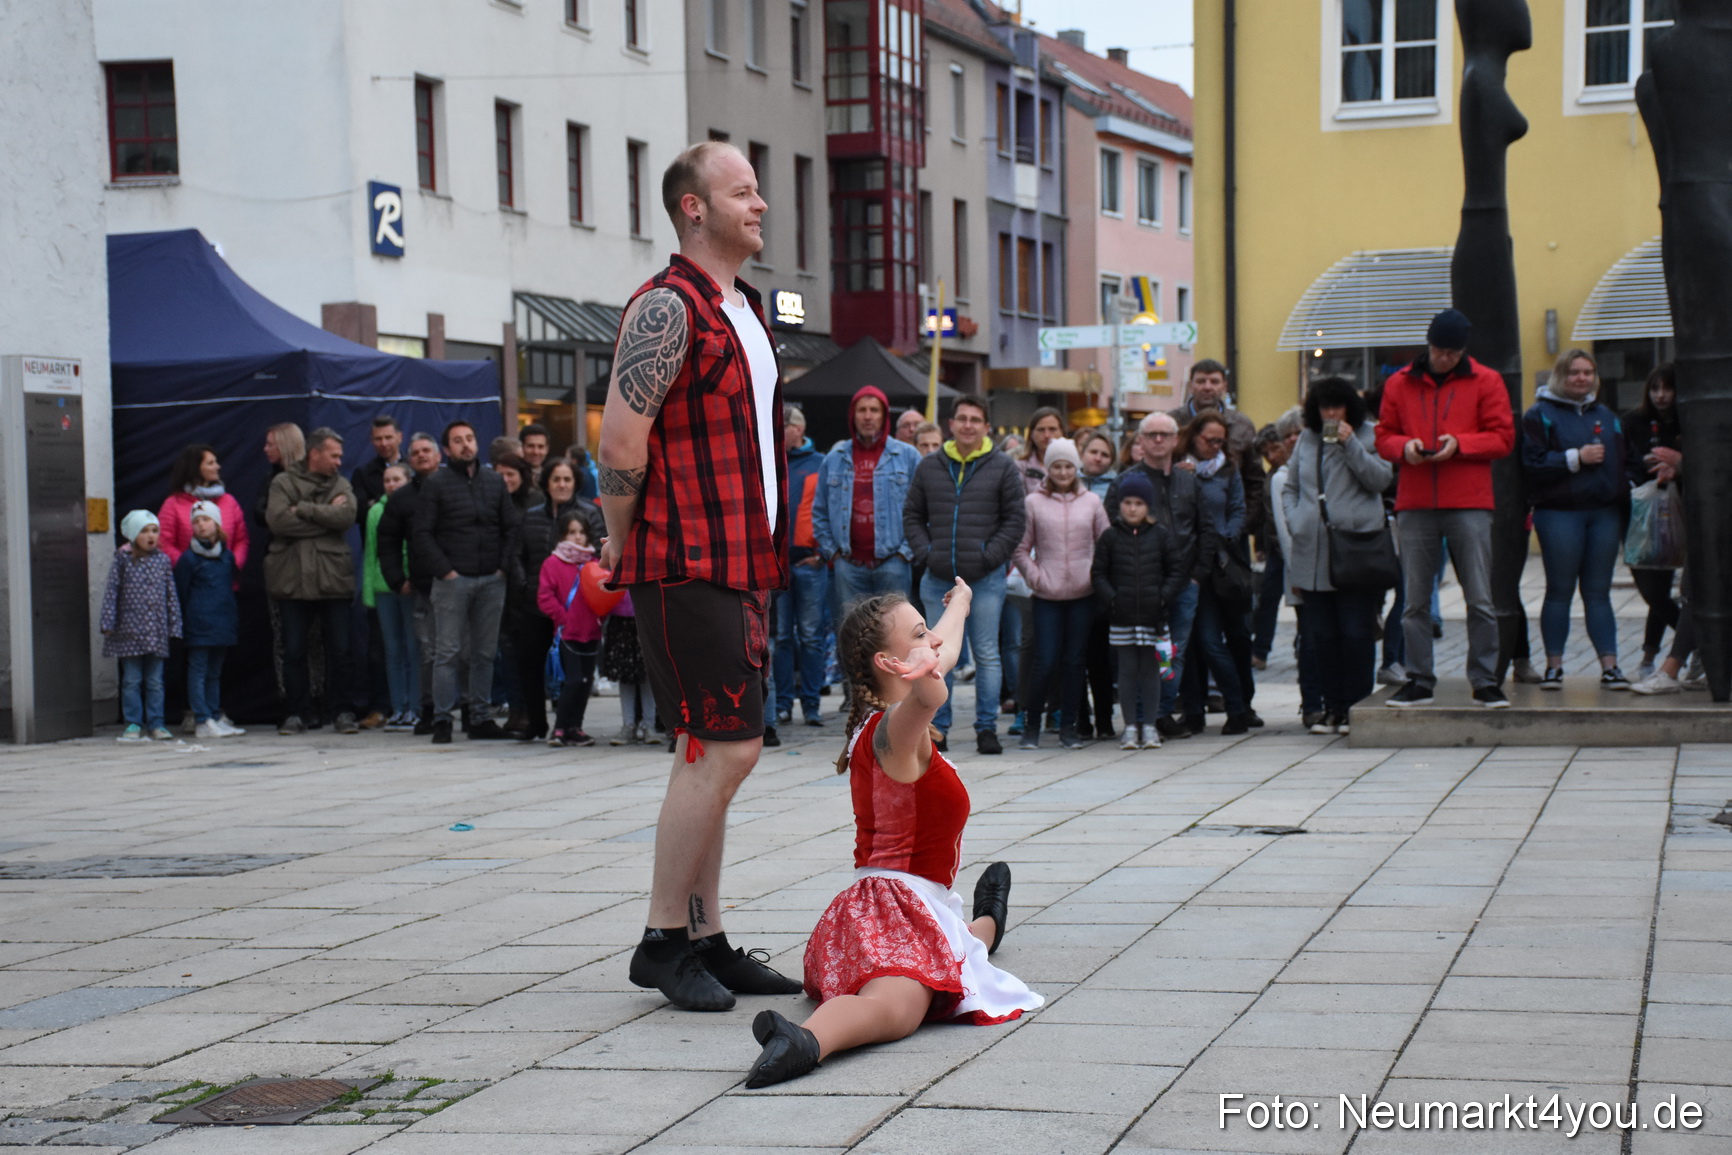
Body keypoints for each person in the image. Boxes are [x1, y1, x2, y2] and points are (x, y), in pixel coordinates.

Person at [595, 140, 801, 1011]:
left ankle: (705, 933)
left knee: (716, 748)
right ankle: (661, 938)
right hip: (684, 558)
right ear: (694, 208)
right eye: (742, 191)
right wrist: (618, 542)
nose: (759, 204)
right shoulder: (665, 308)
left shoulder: (744, 308)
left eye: (758, 189)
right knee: (724, 746)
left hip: (742, 557)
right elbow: (619, 441)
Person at [741, 581, 1042, 1089]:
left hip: (906, 903)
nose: (935, 641)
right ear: (889, 661)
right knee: (901, 1008)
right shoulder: (893, 734)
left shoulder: (882, 718)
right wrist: (928, 682)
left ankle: (991, 916)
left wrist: (962, 605)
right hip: (893, 907)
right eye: (920, 632)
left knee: (962, 945)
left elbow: (936, 652)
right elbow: (928, 695)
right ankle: (804, 1040)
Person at [1375, 309, 1517, 708]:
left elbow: (1503, 437)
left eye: (1452, 353)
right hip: (1416, 501)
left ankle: (1485, 679)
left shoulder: (1486, 380)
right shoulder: (1399, 383)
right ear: (1429, 345)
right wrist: (1405, 448)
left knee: (1479, 597)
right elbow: (1384, 435)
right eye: (1439, 350)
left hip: (1469, 501)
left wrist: (1461, 443)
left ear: (1463, 351)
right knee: (1414, 599)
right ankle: (1419, 678)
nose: (1444, 359)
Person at [903, 396, 1026, 754]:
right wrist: (928, 554)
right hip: (937, 575)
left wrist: (989, 558)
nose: (968, 425)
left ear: (987, 427)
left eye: (975, 419)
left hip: (984, 579)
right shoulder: (930, 465)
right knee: (936, 656)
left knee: (987, 653)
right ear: (950, 425)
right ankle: (938, 728)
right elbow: (912, 514)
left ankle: (987, 727)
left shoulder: (1002, 466)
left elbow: (1015, 519)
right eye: (962, 419)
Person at [1282, 378, 1396, 734]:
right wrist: (1297, 518)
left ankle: (1355, 707)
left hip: (1355, 550)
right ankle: (1332, 707)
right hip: (1312, 550)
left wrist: (1351, 445)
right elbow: (1290, 488)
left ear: (1350, 407)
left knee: (1355, 632)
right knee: (1322, 636)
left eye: (1337, 406)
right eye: (1324, 407)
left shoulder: (1369, 435)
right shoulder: (1306, 439)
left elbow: (1380, 480)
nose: (1331, 413)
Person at [1522, 349, 1629, 689]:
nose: (1582, 378)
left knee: (1599, 593)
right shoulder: (1539, 414)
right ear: (1560, 376)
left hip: (1604, 514)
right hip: (1559, 514)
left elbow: (1626, 459)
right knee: (1559, 592)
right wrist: (1576, 458)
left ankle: (1610, 667)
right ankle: (1554, 666)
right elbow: (1532, 465)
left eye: (1587, 372)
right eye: (1574, 372)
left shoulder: (1606, 414)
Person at [415, 420, 520, 744]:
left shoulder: (494, 481)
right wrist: (445, 571)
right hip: (453, 580)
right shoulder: (436, 483)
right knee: (447, 652)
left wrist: (502, 568)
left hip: (491, 579)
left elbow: (511, 528)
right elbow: (421, 533)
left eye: (470, 439)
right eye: (458, 441)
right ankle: (443, 720)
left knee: (484, 653)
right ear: (447, 449)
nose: (466, 445)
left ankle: (479, 718)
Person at [1102, 412, 1202, 738]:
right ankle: (1138, 720)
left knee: (1172, 653)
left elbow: (1206, 530)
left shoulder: (1189, 480)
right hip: (1134, 589)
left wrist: (1197, 574)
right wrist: (1115, 591)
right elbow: (1109, 534)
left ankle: (1159, 717)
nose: (1158, 440)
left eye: (1165, 434)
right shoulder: (1125, 483)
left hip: (1182, 583)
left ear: (1175, 440)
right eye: (1151, 434)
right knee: (1134, 658)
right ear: (1140, 441)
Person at [1012, 438, 1108, 749]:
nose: (1063, 471)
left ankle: (1069, 727)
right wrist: (1036, 577)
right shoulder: (1033, 503)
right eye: (1057, 466)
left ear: (1076, 467)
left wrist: (1093, 574)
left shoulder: (1092, 501)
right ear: (1048, 470)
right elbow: (1020, 548)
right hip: (1047, 596)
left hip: (1083, 594)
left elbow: (1105, 544)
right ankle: (1031, 725)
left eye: (1068, 466)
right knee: (1045, 660)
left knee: (1074, 662)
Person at [266, 427, 360, 735]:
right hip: (292, 579)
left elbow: (345, 518)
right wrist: (323, 518)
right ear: (314, 453)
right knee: (293, 651)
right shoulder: (283, 481)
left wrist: (303, 509)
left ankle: (343, 711)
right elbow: (278, 520)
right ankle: (296, 712)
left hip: (332, 577)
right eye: (333, 455)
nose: (338, 462)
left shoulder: (342, 483)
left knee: (341, 650)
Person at [512, 458, 607, 741]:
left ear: (575, 483)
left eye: (567, 479)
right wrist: (525, 584)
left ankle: (568, 723)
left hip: (575, 609)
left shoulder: (588, 513)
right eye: (556, 479)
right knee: (531, 665)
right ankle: (536, 723)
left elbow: (601, 554)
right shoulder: (531, 516)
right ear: (547, 484)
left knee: (576, 673)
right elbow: (517, 554)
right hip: (536, 602)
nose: (562, 485)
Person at [1092, 471, 1187, 749]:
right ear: (1119, 504)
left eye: (1139, 503)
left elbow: (1176, 571)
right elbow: (1098, 573)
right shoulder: (1110, 537)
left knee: (1150, 670)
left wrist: (1162, 598)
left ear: (1148, 506)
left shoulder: (1160, 535)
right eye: (1127, 502)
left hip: (1152, 617)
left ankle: (1150, 725)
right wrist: (1112, 599)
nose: (1132, 508)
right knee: (1127, 671)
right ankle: (1131, 726)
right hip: (1122, 617)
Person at [814, 386, 921, 628]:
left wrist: (906, 552)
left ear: (885, 416)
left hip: (894, 562)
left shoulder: (908, 456)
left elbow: (924, 509)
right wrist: (833, 552)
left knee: (896, 633)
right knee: (852, 635)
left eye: (874, 410)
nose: (868, 416)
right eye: (862, 410)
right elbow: (819, 511)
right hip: (848, 566)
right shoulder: (835, 457)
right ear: (853, 415)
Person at [1179, 413, 1259, 735]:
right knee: (1198, 642)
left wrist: (1226, 535)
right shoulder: (1180, 468)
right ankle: (1194, 710)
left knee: (1228, 638)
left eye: (1220, 441)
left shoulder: (1228, 470)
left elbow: (1239, 508)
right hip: (1192, 566)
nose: (1215, 446)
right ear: (1194, 437)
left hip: (1224, 566)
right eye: (1209, 440)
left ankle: (1238, 707)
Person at [378, 433, 442, 732]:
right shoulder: (402, 498)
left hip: (463, 580)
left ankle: (469, 709)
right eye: (415, 452)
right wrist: (395, 579)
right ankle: (426, 709)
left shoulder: (454, 486)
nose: (421, 456)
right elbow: (387, 541)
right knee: (427, 650)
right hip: (423, 586)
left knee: (466, 652)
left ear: (438, 455)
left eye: (427, 450)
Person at [1623, 362, 1682, 682]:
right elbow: (1621, 461)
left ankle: (1649, 657)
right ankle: (1697, 641)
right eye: (1655, 388)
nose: (1660, 395)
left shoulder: (1687, 419)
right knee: (1652, 590)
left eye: (1667, 388)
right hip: (1639, 514)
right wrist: (1636, 472)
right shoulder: (1633, 421)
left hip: (1676, 514)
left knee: (1659, 588)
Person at [1169, 360, 1266, 551]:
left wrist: (1242, 527)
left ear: (1224, 386)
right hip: (1182, 533)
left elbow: (1255, 480)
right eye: (1201, 381)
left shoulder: (1242, 424)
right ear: (1190, 386)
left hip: (1230, 532)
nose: (1207, 387)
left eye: (1214, 382)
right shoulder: (1172, 423)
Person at [103, 510, 182, 742]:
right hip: (129, 631)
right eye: (144, 531)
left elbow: (171, 595)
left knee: (155, 680)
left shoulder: (163, 560)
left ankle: (156, 723)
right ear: (132, 534)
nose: (151, 536)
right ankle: (133, 723)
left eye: (154, 531)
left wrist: (174, 624)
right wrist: (108, 621)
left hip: (155, 631)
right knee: (131, 679)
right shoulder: (122, 560)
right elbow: (112, 592)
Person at [777, 403, 829, 728]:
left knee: (811, 636)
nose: (777, 432)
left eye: (782, 426)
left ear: (798, 428)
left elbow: (831, 508)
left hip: (810, 561)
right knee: (781, 636)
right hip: (777, 563)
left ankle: (811, 704)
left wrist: (823, 552)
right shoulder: (770, 462)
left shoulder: (820, 464)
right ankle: (783, 703)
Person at [174, 501, 242, 739]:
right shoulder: (188, 560)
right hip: (198, 624)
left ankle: (214, 714)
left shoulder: (227, 557)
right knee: (199, 670)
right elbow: (181, 593)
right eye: (196, 521)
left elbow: (228, 589)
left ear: (217, 524)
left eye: (206, 520)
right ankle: (201, 718)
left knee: (214, 672)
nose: (201, 525)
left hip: (222, 623)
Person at [539, 510, 605, 747]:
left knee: (586, 681)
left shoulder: (594, 564)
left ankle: (576, 726)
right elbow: (544, 596)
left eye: (581, 532)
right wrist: (563, 617)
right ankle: (559, 728)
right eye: (571, 532)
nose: (577, 537)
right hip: (567, 633)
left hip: (591, 631)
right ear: (562, 535)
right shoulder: (553, 563)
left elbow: (604, 593)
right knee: (573, 680)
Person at [363, 464, 419, 731]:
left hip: (409, 587)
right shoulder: (375, 511)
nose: (391, 484)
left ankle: (415, 707)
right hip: (383, 588)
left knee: (413, 646)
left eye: (397, 479)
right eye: (387, 480)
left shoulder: (414, 506)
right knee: (392, 650)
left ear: (407, 481)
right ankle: (399, 707)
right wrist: (369, 593)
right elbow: (371, 553)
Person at [495, 452, 543, 737]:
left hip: (527, 587)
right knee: (508, 651)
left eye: (510, 474)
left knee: (529, 655)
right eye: (500, 474)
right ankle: (516, 710)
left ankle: (531, 711)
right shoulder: (494, 501)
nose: (505, 480)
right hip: (503, 584)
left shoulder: (535, 501)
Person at [1250, 416, 1299, 670]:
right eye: (1266, 452)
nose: (1271, 455)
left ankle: (1301, 645)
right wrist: (1259, 544)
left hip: (1294, 546)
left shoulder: (1293, 472)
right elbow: (1263, 515)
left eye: (1274, 448)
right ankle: (1260, 650)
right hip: (1274, 548)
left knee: (1301, 601)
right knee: (1267, 601)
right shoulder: (1270, 476)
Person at [158, 444, 251, 570]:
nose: (217, 467)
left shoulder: (229, 501)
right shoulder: (173, 504)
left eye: (216, 462)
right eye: (211, 463)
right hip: (189, 584)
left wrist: (232, 565)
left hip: (224, 582)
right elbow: (164, 543)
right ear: (196, 468)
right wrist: (190, 567)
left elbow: (241, 540)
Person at [351, 415, 405, 515]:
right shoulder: (363, 474)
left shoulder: (414, 469)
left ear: (400, 437)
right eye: (378, 439)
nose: (383, 443)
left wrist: (375, 501)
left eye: (388, 438)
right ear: (372, 441)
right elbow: (360, 512)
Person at [1014, 406, 1067, 494]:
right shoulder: (1021, 467)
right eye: (1041, 430)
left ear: (1062, 432)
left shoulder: (1075, 466)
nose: (1047, 435)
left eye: (1052, 429)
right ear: (1031, 434)